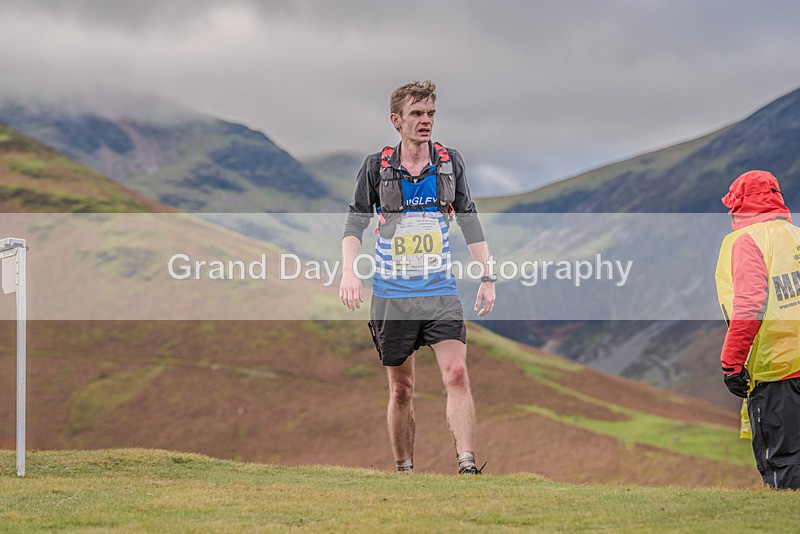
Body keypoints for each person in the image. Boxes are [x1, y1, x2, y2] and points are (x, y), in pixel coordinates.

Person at [340, 80, 496, 475]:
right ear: (397, 120)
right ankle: (405, 471)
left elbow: (469, 219)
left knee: (457, 374)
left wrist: (487, 275)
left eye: (430, 114)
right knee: (401, 389)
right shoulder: (376, 167)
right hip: (392, 295)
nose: (425, 121)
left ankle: (467, 465)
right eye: (416, 114)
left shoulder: (449, 163)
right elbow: (355, 223)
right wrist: (349, 273)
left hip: (439, 291)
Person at [715, 169, 800, 490]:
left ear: (738, 204)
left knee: (785, 462)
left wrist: (732, 362)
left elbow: (750, 304)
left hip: (776, 368)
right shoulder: (795, 236)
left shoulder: (746, 241)